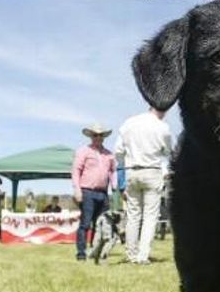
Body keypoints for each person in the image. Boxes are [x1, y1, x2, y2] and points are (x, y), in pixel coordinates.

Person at [115, 108, 172, 264]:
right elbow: (168, 153)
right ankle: (142, 255)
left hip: (132, 171)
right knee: (150, 216)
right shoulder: (163, 127)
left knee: (133, 215)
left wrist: (126, 165)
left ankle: (131, 254)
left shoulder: (129, 123)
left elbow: (118, 151)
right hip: (152, 171)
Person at [72, 123, 116, 261]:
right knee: (85, 223)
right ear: (91, 136)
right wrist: (77, 190)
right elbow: (75, 171)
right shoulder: (83, 151)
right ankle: (81, 253)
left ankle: (95, 250)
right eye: (95, 135)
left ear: (104, 137)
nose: (98, 137)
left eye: (101, 135)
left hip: (103, 193)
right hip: (86, 191)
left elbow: (113, 171)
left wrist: (114, 186)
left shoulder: (109, 154)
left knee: (102, 225)